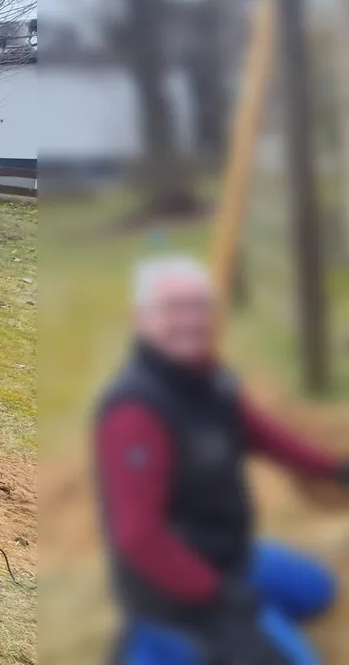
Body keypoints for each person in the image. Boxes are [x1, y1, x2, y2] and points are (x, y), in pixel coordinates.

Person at [95, 255, 346, 665]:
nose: (190, 320)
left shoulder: (209, 377)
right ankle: (153, 641)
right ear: (140, 318)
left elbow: (263, 434)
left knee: (319, 592)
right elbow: (140, 539)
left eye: (199, 306)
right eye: (173, 308)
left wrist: (333, 469)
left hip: (230, 555)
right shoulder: (136, 413)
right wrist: (219, 596)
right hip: (174, 587)